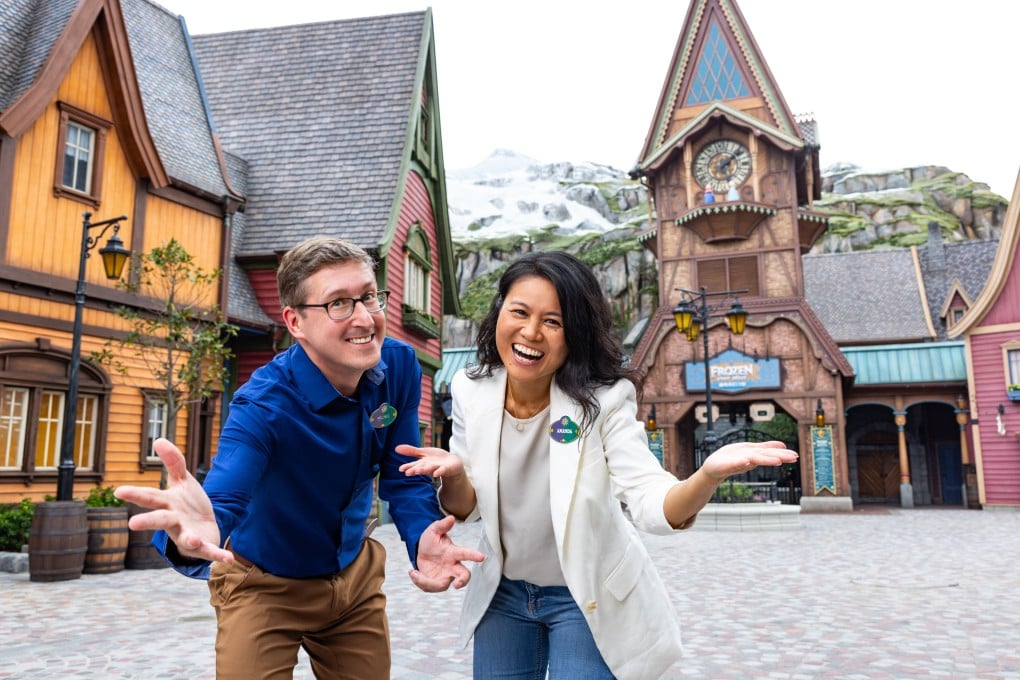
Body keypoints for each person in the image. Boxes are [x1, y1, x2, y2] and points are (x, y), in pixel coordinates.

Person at [398, 250, 798, 679]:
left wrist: (707, 475)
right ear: (499, 312)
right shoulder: (470, 388)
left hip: (585, 594)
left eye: (553, 322)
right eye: (519, 312)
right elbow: (468, 508)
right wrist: (455, 473)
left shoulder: (604, 399)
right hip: (504, 593)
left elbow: (650, 499)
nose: (531, 332)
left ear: (576, 334)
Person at [115, 236, 484, 679]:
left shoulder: (400, 367)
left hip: (353, 580)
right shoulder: (262, 406)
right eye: (339, 304)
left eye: (369, 296)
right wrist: (194, 531)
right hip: (263, 585)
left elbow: (404, 473)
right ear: (295, 321)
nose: (365, 317)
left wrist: (423, 533)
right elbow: (224, 496)